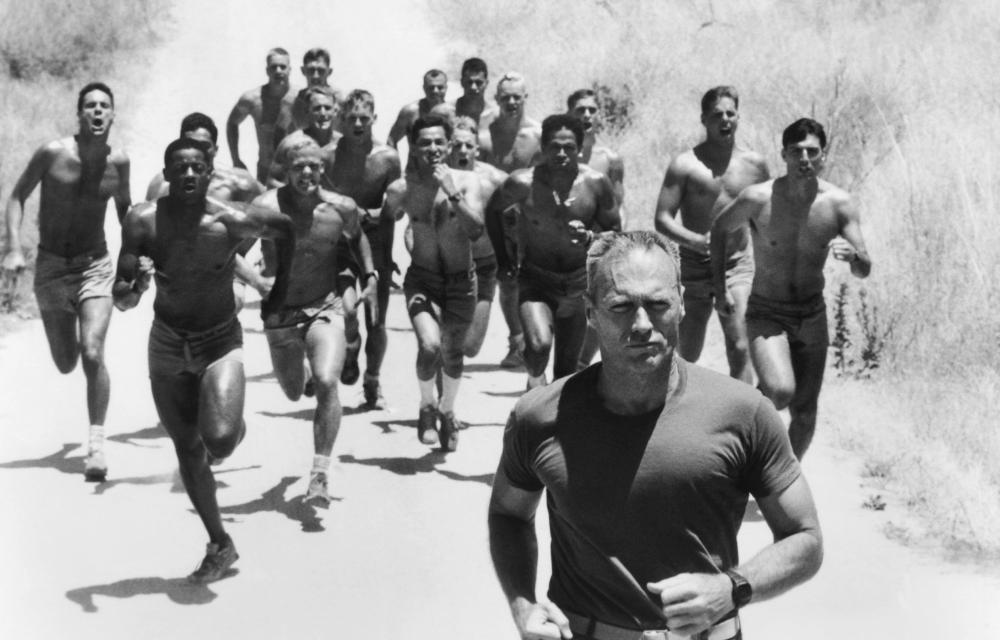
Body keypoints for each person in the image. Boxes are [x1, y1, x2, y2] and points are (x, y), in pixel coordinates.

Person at [488, 230, 823, 640]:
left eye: (658, 304)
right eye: (621, 306)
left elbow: (805, 538)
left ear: (681, 303)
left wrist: (731, 588)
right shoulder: (539, 416)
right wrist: (522, 604)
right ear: (591, 312)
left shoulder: (743, 412)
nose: (642, 324)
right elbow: (508, 514)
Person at [113, 137, 295, 583]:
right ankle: (220, 543)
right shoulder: (143, 220)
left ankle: (229, 422)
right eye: (180, 168)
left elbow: (287, 228)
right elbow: (121, 298)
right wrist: (137, 287)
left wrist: (279, 293)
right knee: (188, 450)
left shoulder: (231, 221)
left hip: (218, 341)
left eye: (197, 167)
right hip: (167, 344)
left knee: (221, 441)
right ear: (167, 175)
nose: (190, 174)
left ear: (210, 173)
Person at [711, 117, 871, 460]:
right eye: (796, 151)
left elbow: (864, 268)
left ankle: (780, 480)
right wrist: (719, 287)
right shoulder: (758, 198)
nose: (804, 159)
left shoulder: (839, 204)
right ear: (783, 154)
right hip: (767, 311)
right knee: (781, 391)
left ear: (824, 155)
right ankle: (740, 428)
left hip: (811, 315)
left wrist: (854, 257)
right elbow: (720, 229)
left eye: (812, 151)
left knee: (806, 412)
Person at [1, 82, 131, 481]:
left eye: (104, 106)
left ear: (113, 115)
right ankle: (69, 334)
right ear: (79, 114)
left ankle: (97, 445)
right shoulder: (52, 153)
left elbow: (127, 212)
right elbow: (17, 197)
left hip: (95, 266)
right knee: (66, 362)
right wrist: (13, 247)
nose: (97, 111)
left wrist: (139, 259)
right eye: (90, 106)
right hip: (52, 267)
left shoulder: (119, 162)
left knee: (92, 352)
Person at [256, 139, 376, 504]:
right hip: (280, 314)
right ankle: (304, 370)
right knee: (294, 392)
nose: (306, 173)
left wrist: (370, 275)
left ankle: (320, 473)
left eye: (313, 166)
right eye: (298, 167)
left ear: (323, 169)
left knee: (326, 381)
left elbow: (358, 238)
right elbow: (232, 247)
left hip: (325, 305)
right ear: (285, 171)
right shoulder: (265, 208)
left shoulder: (341, 208)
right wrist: (254, 281)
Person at [487, 114, 619, 390]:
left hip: (578, 283)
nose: (561, 153)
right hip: (536, 279)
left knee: (566, 372)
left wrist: (590, 237)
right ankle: (535, 385)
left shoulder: (596, 183)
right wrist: (503, 259)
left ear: (579, 148)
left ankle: (551, 411)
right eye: (554, 147)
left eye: (568, 147)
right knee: (537, 348)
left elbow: (615, 233)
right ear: (543, 148)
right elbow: (493, 211)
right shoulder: (522, 183)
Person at [383, 115, 484, 452]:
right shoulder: (402, 189)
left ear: (450, 145)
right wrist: (383, 264)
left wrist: (452, 193)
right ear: (413, 147)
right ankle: (427, 406)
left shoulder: (468, 181)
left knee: (452, 352)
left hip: (461, 282)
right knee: (430, 346)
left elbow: (476, 230)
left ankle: (447, 410)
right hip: (422, 280)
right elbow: (384, 223)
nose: (433, 148)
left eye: (439, 141)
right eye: (425, 142)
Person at [655, 86, 770, 383]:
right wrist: (694, 240)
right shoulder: (685, 165)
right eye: (717, 114)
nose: (725, 120)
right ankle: (672, 402)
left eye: (731, 113)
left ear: (738, 117)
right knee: (687, 352)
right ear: (704, 119)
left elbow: (765, 218)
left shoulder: (755, 166)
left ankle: (741, 410)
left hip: (737, 266)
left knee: (740, 344)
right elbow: (663, 218)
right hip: (695, 268)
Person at [145, 112, 270, 310]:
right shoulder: (161, 186)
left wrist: (241, 248)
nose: (198, 152)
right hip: (180, 276)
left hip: (228, 274)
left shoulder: (239, 183)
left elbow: (270, 208)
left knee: (223, 308)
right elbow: (149, 235)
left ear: (216, 149)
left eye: (204, 146)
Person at [326, 89, 401, 409]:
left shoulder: (388, 158)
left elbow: (395, 209)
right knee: (347, 309)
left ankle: (372, 380)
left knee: (377, 321)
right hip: (340, 243)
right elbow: (318, 199)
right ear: (342, 119)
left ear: (374, 119)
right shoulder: (328, 155)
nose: (357, 124)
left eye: (364, 118)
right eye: (352, 118)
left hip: (376, 241)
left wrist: (389, 254)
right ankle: (351, 343)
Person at [479, 72, 542, 369]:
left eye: (517, 97)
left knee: (529, 280)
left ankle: (531, 339)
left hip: (528, 219)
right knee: (504, 280)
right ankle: (517, 341)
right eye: (506, 97)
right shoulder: (485, 134)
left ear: (526, 97)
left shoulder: (538, 135)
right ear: (497, 99)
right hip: (493, 218)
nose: (512, 102)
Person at [566, 88, 626, 371]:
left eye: (592, 110)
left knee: (596, 307)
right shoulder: (554, 154)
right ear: (569, 114)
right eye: (580, 110)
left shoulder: (610, 159)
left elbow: (618, 205)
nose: (587, 115)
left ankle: (579, 366)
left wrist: (616, 242)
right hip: (559, 247)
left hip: (596, 245)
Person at [449, 116, 507, 359]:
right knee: (444, 341)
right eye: (457, 145)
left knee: (470, 347)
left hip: (483, 264)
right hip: (446, 266)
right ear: (448, 147)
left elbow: (516, 218)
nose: (463, 151)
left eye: (468, 145)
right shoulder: (436, 176)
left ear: (477, 149)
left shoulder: (496, 180)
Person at [226, 47, 295, 183]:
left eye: (282, 67)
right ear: (267, 70)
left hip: (296, 172)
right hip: (266, 171)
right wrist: (235, 159)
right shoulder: (252, 99)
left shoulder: (301, 98)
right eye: (273, 67)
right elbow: (232, 123)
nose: (278, 71)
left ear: (289, 70)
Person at [266, 86, 342, 188]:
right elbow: (272, 181)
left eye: (327, 108)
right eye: (317, 108)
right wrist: (297, 193)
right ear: (306, 111)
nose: (323, 113)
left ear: (335, 111)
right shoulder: (291, 143)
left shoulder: (343, 143)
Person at [386, 69, 449, 150]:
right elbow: (391, 140)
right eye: (431, 87)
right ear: (424, 88)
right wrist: (394, 158)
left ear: (446, 88)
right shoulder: (410, 112)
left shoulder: (453, 112)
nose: (435, 91)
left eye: (440, 87)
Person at [288, 47, 345, 133]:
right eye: (311, 70)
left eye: (321, 71)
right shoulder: (296, 102)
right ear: (303, 71)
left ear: (329, 72)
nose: (315, 76)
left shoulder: (339, 101)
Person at [454, 57, 498, 129]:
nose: (473, 87)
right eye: (469, 82)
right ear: (462, 82)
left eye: (478, 83)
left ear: (486, 83)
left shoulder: (495, 115)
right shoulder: (447, 112)